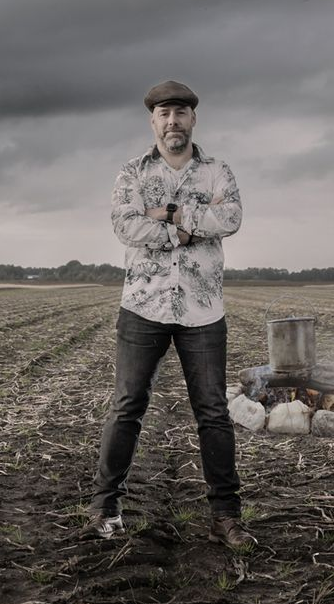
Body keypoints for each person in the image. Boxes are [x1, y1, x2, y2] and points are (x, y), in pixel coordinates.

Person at [88, 80, 254, 549]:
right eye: (164, 113)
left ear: (193, 119)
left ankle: (225, 517)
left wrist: (171, 214)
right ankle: (105, 508)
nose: (172, 121)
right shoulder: (132, 172)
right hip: (143, 306)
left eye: (180, 112)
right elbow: (125, 225)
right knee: (127, 407)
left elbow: (232, 217)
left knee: (213, 413)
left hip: (204, 310)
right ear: (153, 121)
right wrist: (188, 229)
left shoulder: (218, 171)